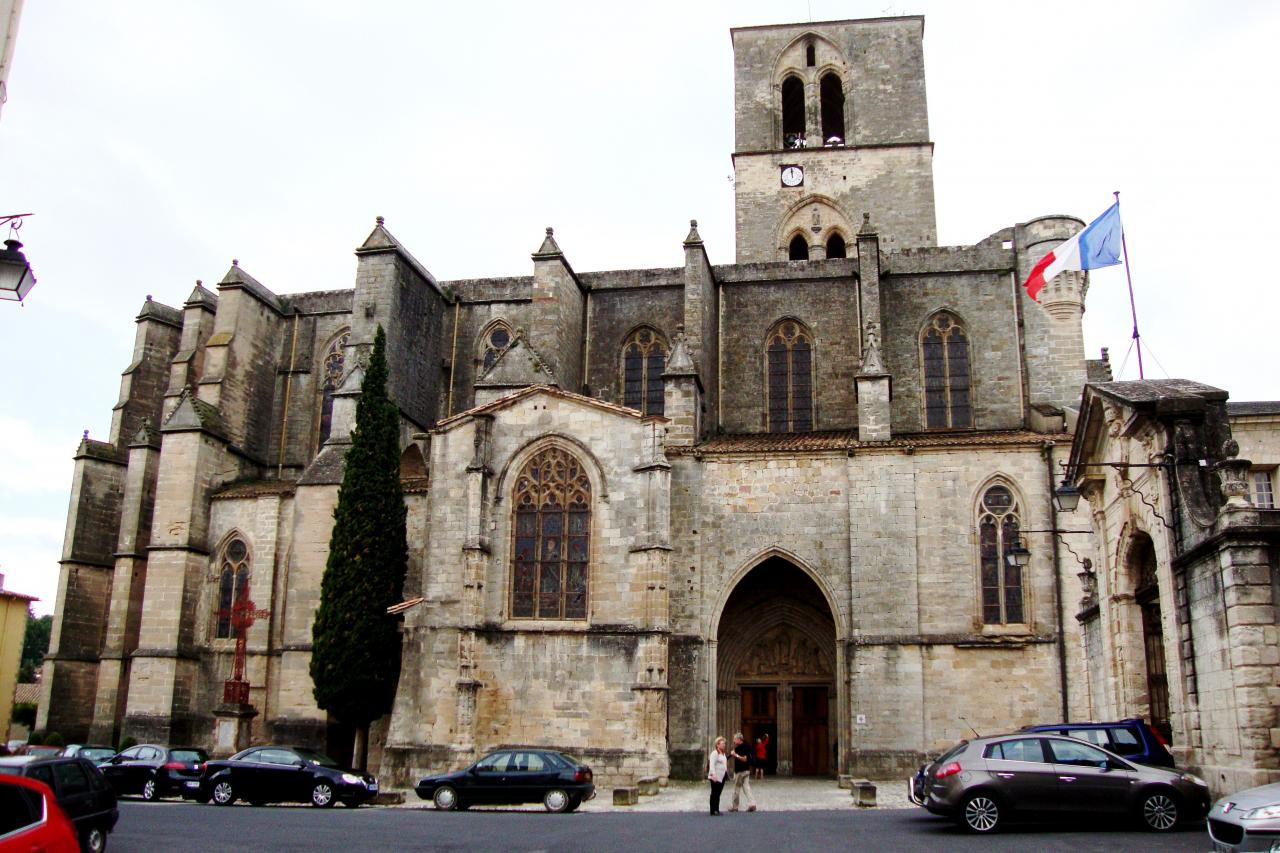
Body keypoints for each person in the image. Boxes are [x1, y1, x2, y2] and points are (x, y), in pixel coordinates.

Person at [729, 732, 756, 812]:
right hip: (747, 770)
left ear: (739, 739)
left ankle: (735, 807)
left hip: (740, 771)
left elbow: (744, 759)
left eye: (734, 739)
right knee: (747, 788)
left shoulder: (741, 748)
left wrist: (735, 755)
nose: (733, 741)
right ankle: (752, 804)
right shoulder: (747, 746)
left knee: (736, 789)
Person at [707, 736, 728, 816]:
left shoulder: (723, 753)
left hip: (722, 776)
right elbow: (712, 764)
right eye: (722, 744)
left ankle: (717, 809)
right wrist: (713, 774)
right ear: (717, 745)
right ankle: (713, 810)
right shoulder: (715, 753)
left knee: (718, 793)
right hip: (715, 776)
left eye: (724, 744)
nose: (724, 745)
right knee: (714, 793)